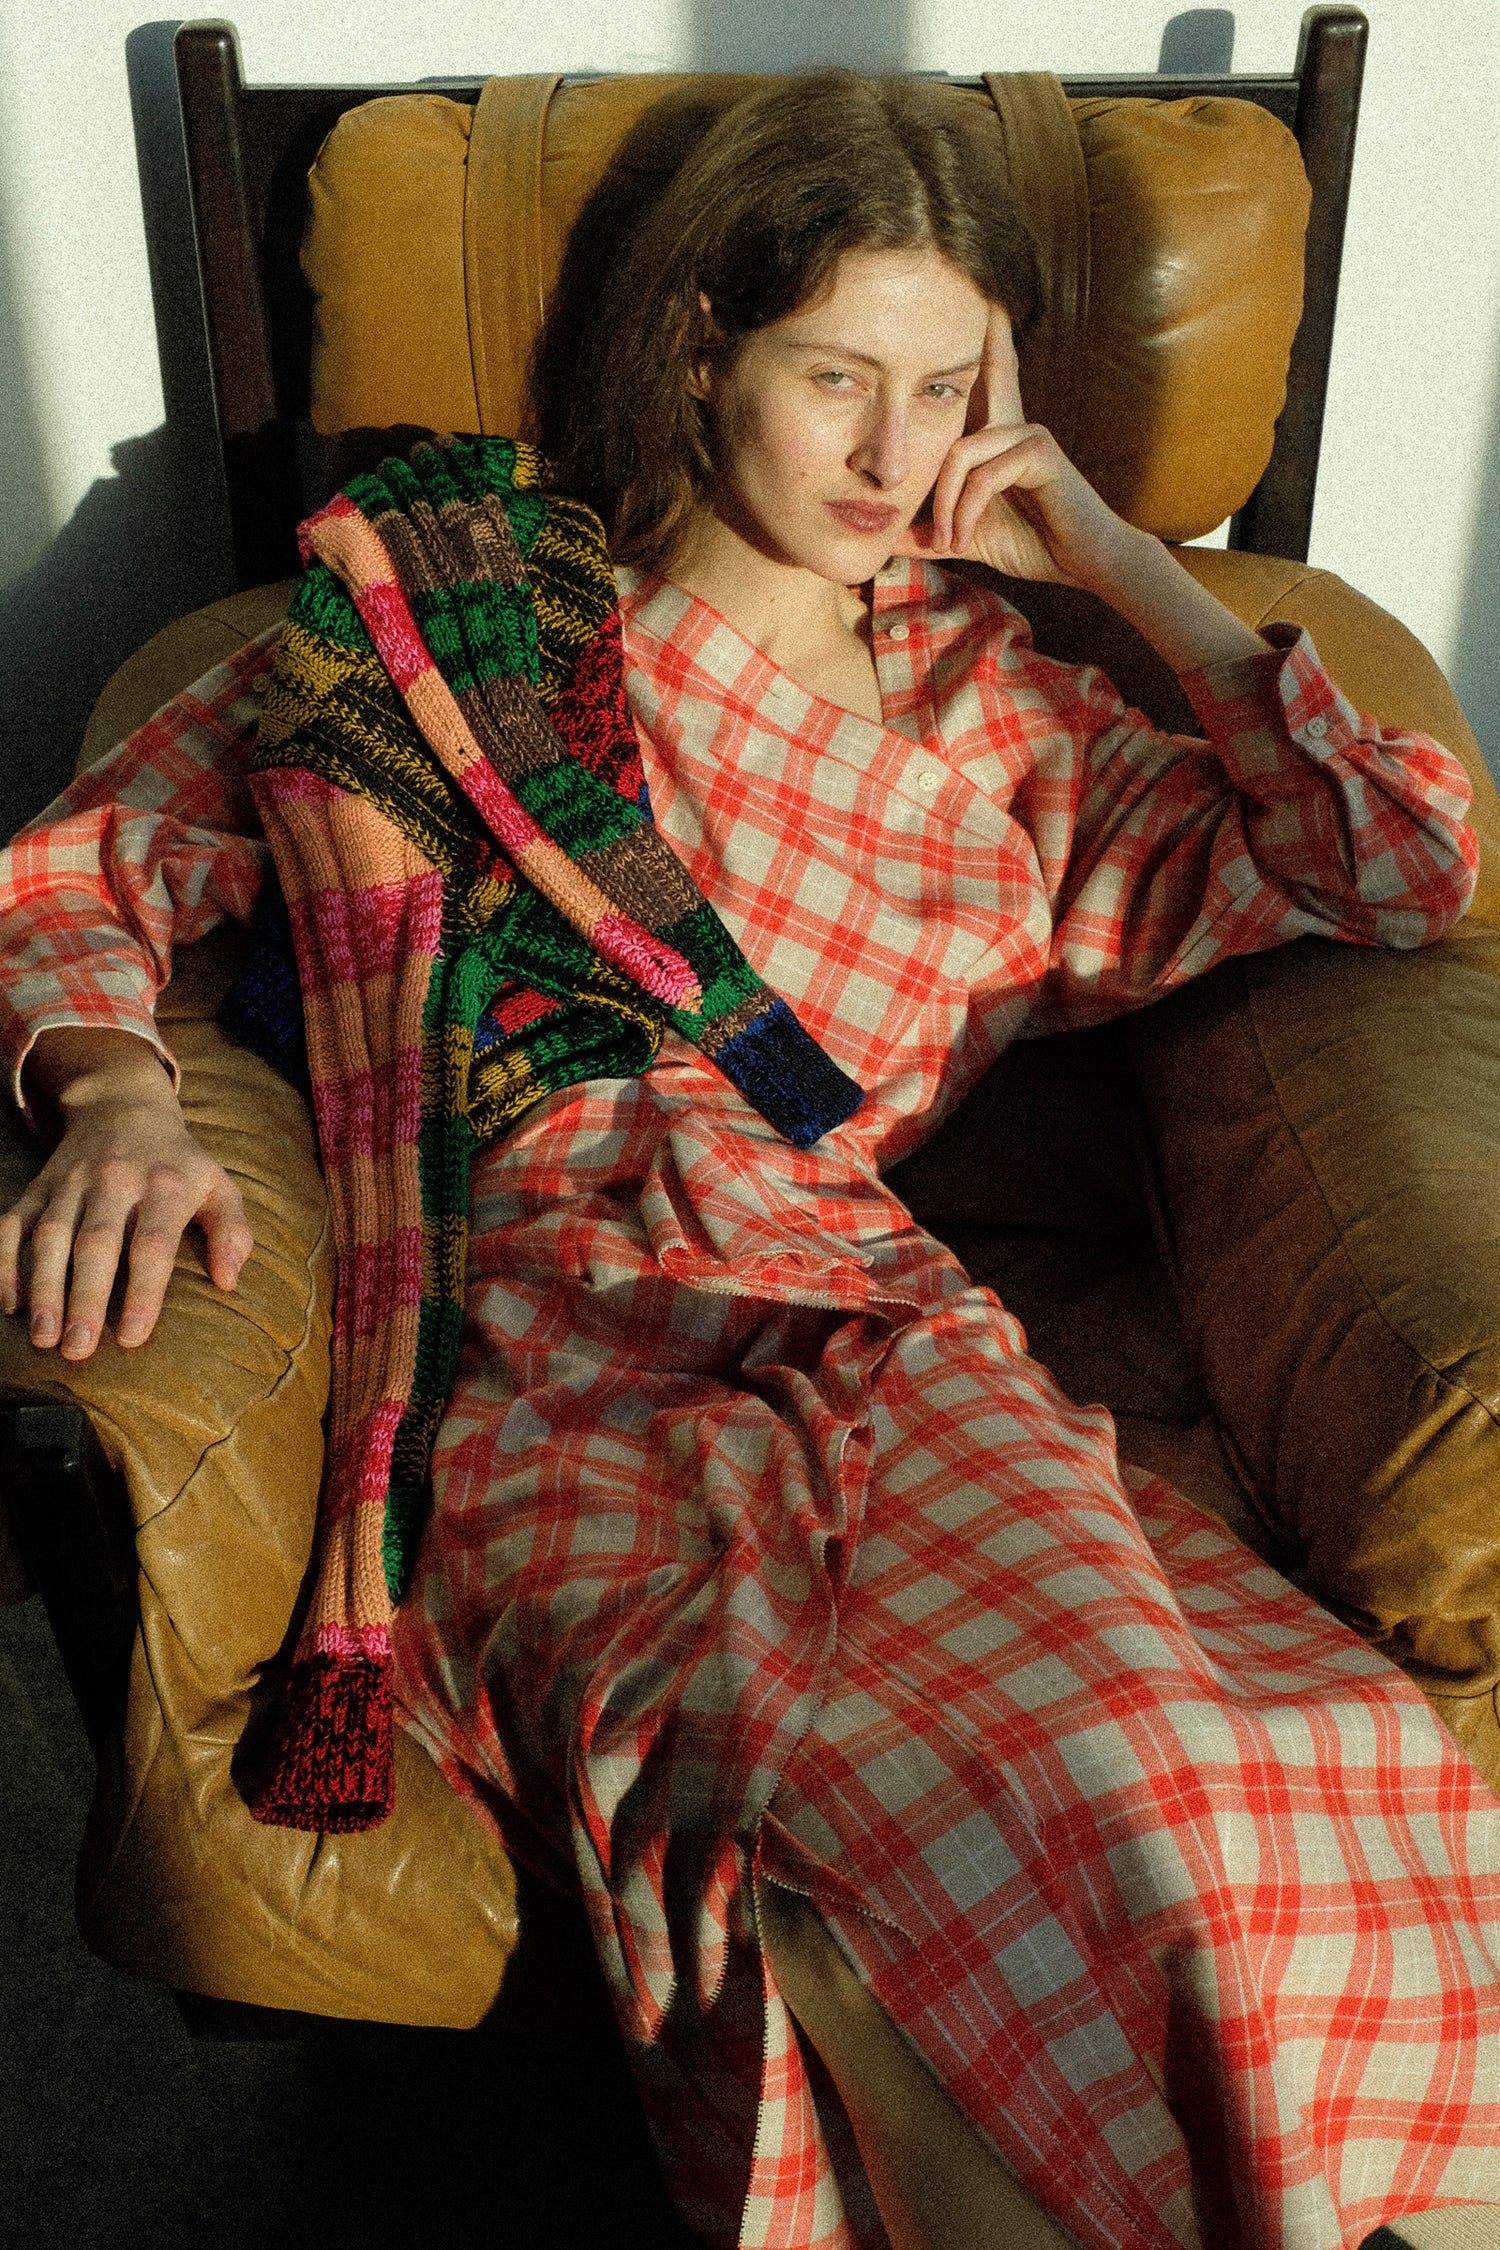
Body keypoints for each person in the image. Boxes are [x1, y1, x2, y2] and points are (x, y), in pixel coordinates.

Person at [3, 71, 1499, 2250]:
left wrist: (1111, 559)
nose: (898, 459)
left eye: (951, 389)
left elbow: (1398, 865)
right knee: (819, 1832)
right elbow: (79, 866)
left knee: (1218, 1780)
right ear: (703, 352)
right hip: (542, 1367)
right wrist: (119, 1089)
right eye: (836, 380)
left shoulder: (1015, 726)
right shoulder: (467, 619)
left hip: (878, 1344)